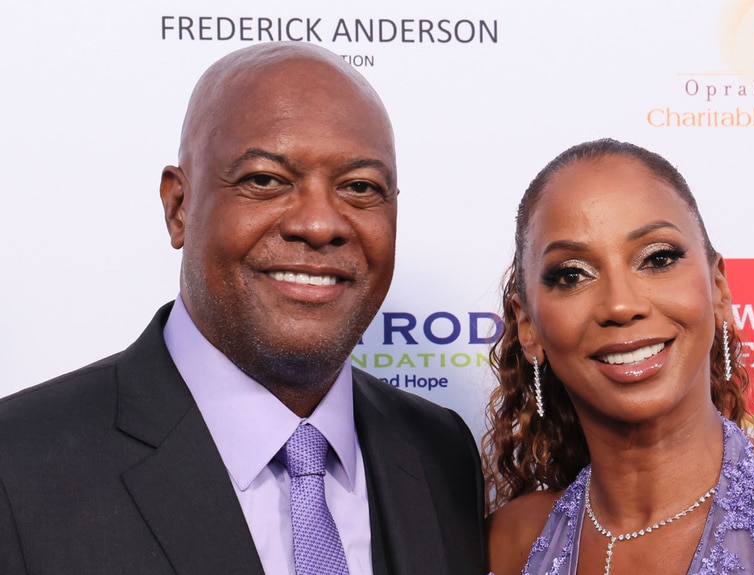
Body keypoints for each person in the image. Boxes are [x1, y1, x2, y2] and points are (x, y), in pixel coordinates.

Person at [0, 43, 485, 575]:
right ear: (179, 207)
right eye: (265, 180)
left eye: (360, 187)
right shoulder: (18, 463)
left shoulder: (443, 452)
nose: (320, 224)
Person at [483, 139, 754, 575]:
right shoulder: (509, 542)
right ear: (527, 326)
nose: (621, 305)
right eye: (572, 275)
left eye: (657, 258)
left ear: (718, 289)